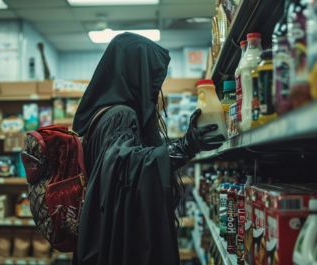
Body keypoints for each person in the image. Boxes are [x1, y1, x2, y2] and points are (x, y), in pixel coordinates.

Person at [72, 32, 225, 265]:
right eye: (153, 82)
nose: (155, 94)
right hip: (117, 244)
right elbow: (126, 168)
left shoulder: (100, 116)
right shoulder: (121, 115)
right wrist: (185, 147)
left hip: (101, 235)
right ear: (137, 76)